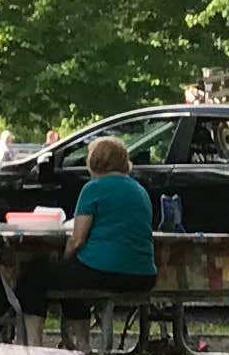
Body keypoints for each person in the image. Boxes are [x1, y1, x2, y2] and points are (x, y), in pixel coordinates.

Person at [43, 134, 159, 316]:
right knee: (73, 278)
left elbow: (77, 239)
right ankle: (79, 340)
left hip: (104, 271)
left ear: (94, 161)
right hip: (144, 275)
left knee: (34, 277)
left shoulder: (93, 188)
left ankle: (34, 341)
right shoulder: (140, 191)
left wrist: (64, 259)